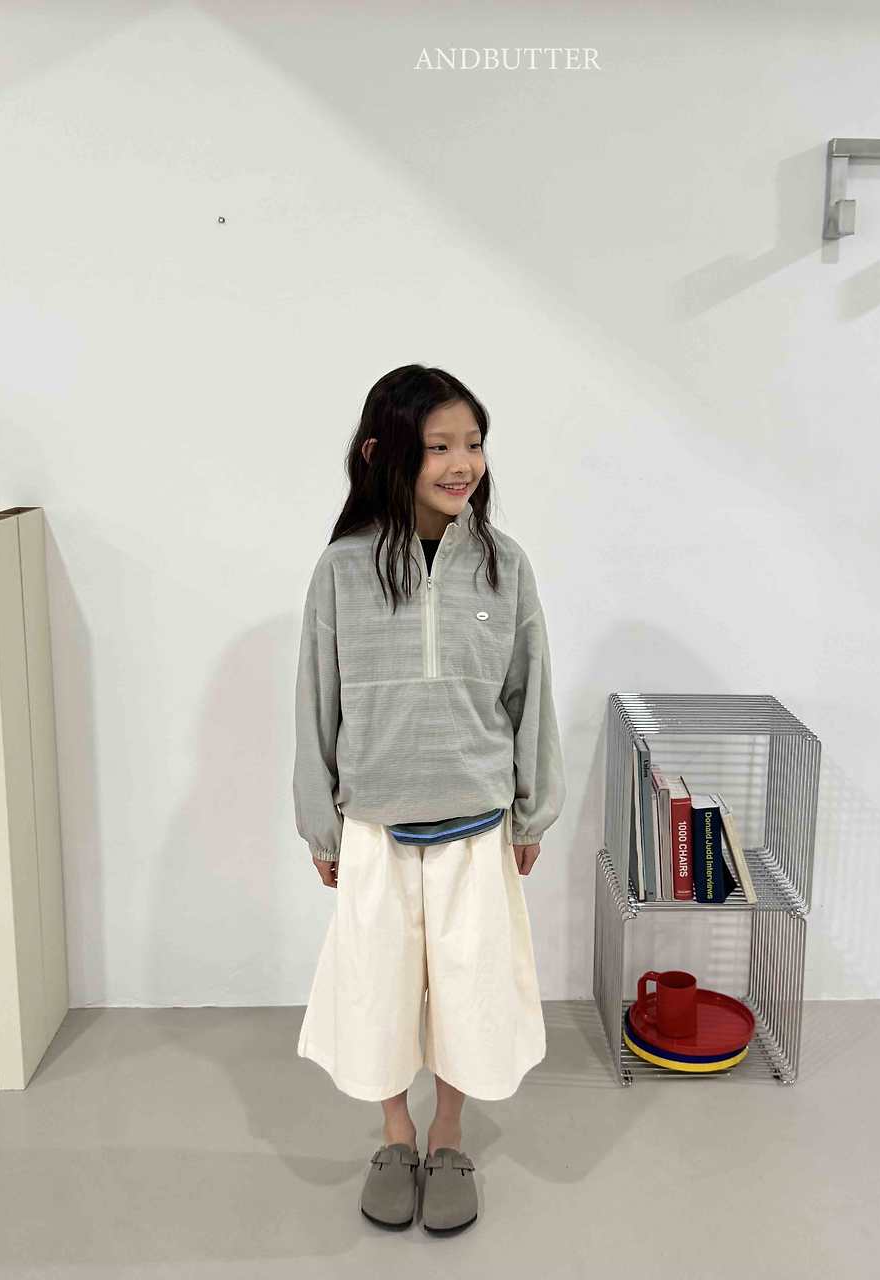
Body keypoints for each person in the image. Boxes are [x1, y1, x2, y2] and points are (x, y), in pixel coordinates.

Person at [292, 364, 565, 1234]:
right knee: (377, 990)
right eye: (439, 446)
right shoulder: (342, 569)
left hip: (477, 827)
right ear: (386, 451)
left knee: (466, 992)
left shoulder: (505, 565)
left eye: (472, 443)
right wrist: (321, 825)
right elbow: (317, 701)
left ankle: (448, 1135)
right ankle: (395, 1135)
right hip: (376, 825)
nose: (462, 463)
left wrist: (531, 809)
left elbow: (530, 692)